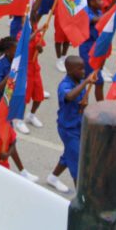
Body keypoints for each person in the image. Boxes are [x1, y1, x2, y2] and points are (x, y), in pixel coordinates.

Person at [47, 56, 94, 193]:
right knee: (78, 163)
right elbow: (69, 97)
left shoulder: (79, 82)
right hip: (68, 129)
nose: (84, 71)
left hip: (79, 126)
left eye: (84, 68)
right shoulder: (65, 85)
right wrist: (85, 82)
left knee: (70, 153)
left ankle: (53, 177)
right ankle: (81, 197)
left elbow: (79, 103)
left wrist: (83, 106)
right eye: (80, 69)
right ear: (70, 70)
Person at [0, 98, 37, 181]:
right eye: (1, 112)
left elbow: (13, 143)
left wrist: (7, 154)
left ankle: (23, 173)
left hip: (4, 167)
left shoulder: (7, 126)